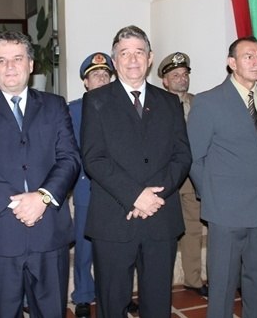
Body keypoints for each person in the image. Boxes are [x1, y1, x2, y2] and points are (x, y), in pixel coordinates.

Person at [0, 31, 80, 317]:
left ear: (31, 64)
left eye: (17, 59)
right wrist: (17, 202)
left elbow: (69, 158)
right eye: (2, 60)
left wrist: (42, 197)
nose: (10, 67)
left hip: (48, 232)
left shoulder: (55, 105)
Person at [81, 25, 191, 317]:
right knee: (112, 303)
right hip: (113, 219)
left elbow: (182, 156)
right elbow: (94, 158)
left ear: (150, 57)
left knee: (157, 304)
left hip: (160, 216)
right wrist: (135, 196)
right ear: (115, 61)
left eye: (139, 52)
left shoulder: (169, 103)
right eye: (124, 54)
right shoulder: (96, 101)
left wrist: (155, 196)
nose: (132, 60)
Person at [187, 36, 257, 318]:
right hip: (226, 211)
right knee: (223, 284)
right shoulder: (208, 102)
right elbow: (194, 157)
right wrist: (213, 196)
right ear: (232, 63)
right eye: (249, 56)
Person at [157, 52, 208, 298]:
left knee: (193, 229)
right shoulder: (155, 104)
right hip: (164, 177)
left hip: (192, 177)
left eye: (184, 74)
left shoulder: (198, 103)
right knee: (163, 232)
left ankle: (193, 280)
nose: (181, 79)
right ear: (165, 81)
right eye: (175, 75)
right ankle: (158, 283)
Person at [69, 52, 114, 318]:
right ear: (85, 82)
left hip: (118, 191)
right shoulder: (73, 109)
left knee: (113, 248)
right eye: (95, 75)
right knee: (85, 246)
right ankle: (83, 295)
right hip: (88, 187)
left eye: (105, 75)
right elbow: (70, 150)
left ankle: (112, 293)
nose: (101, 79)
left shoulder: (123, 107)